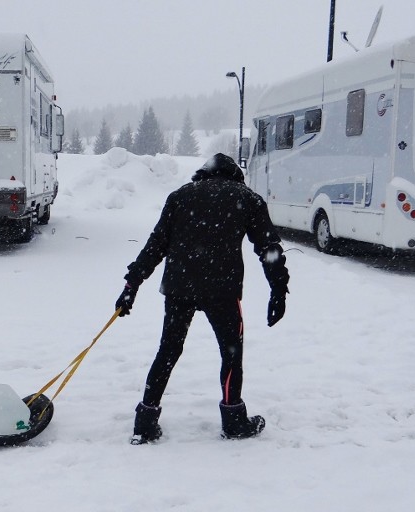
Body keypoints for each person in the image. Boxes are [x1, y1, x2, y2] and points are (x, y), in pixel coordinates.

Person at [115, 153, 289, 445]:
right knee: (231, 353)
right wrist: (278, 290)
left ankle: (145, 421)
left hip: (179, 287)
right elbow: (269, 248)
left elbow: (156, 244)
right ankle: (233, 419)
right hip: (222, 289)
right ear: (235, 175)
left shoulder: (180, 196)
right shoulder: (247, 198)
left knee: (168, 351)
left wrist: (132, 285)